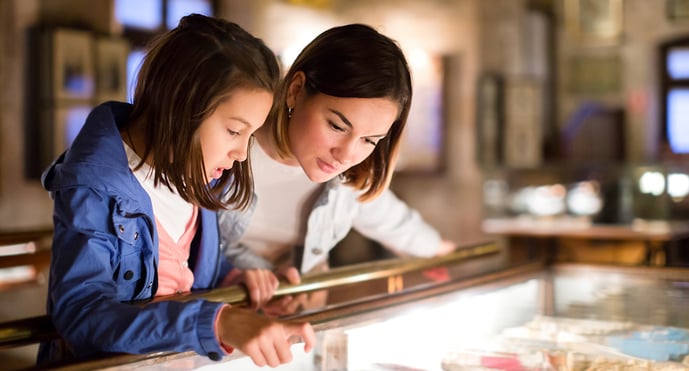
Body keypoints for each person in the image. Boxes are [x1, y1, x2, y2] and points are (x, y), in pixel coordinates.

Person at [38, 14, 314, 368]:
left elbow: (178, 270)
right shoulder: (94, 187)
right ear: (181, 105)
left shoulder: (196, 174)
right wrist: (218, 321)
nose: (242, 154)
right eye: (234, 131)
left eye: (250, 135)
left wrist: (236, 282)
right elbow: (82, 314)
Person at [218, 23, 456, 313]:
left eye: (370, 140)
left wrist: (442, 253)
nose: (347, 154)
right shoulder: (225, 153)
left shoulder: (350, 179)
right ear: (296, 90)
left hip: (286, 325)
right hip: (212, 322)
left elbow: (393, 220)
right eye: (336, 126)